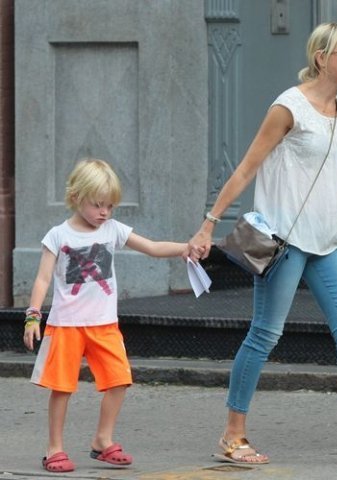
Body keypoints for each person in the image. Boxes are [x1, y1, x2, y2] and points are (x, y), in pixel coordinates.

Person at [188, 22, 337, 467]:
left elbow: (336, 185)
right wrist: (209, 224)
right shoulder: (289, 107)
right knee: (265, 334)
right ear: (322, 58)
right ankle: (232, 434)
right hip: (284, 240)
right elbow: (246, 168)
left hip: (328, 242)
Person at [23, 158, 190, 473]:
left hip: (104, 325)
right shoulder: (57, 235)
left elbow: (153, 247)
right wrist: (33, 316)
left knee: (119, 379)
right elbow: (43, 279)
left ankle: (102, 439)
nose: (105, 212)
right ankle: (54, 448)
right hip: (66, 326)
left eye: (110, 206)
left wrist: (186, 248)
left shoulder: (113, 230)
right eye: (98, 205)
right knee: (62, 387)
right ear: (76, 197)